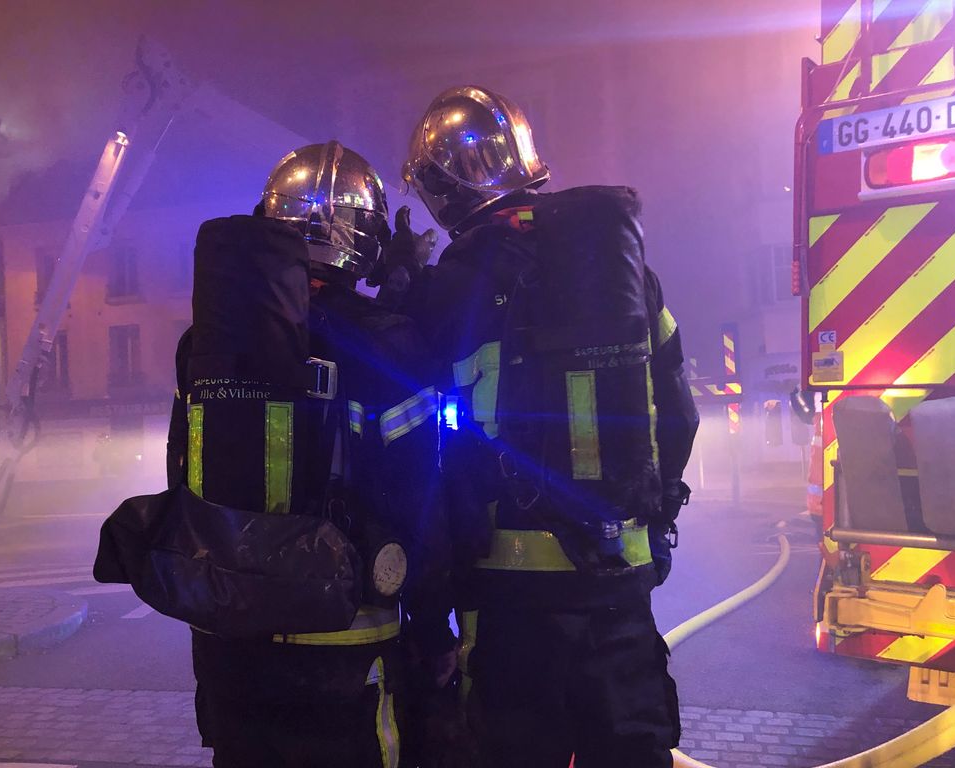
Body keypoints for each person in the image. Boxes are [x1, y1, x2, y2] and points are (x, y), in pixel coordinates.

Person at [381, 85, 700, 768]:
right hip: (620, 587)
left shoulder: (451, 287)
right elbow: (678, 413)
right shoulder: (623, 273)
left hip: (507, 607)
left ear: (440, 190)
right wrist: (649, 514)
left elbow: (417, 456)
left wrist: (429, 604)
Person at [165, 141, 453, 768]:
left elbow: (183, 481)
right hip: (346, 651)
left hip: (231, 648)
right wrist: (434, 635)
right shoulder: (392, 344)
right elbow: (418, 503)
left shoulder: (205, 347)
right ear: (369, 239)